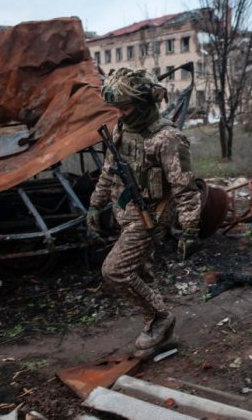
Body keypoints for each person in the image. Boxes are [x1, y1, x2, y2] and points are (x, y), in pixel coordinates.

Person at [86, 67, 202, 352]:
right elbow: (109, 170)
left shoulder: (168, 139)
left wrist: (190, 230)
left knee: (115, 271)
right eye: (117, 108)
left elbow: (185, 188)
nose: (120, 114)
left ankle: (161, 317)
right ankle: (161, 332)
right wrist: (95, 203)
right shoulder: (123, 129)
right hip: (126, 213)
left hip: (151, 216)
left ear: (144, 103)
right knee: (141, 272)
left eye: (125, 108)